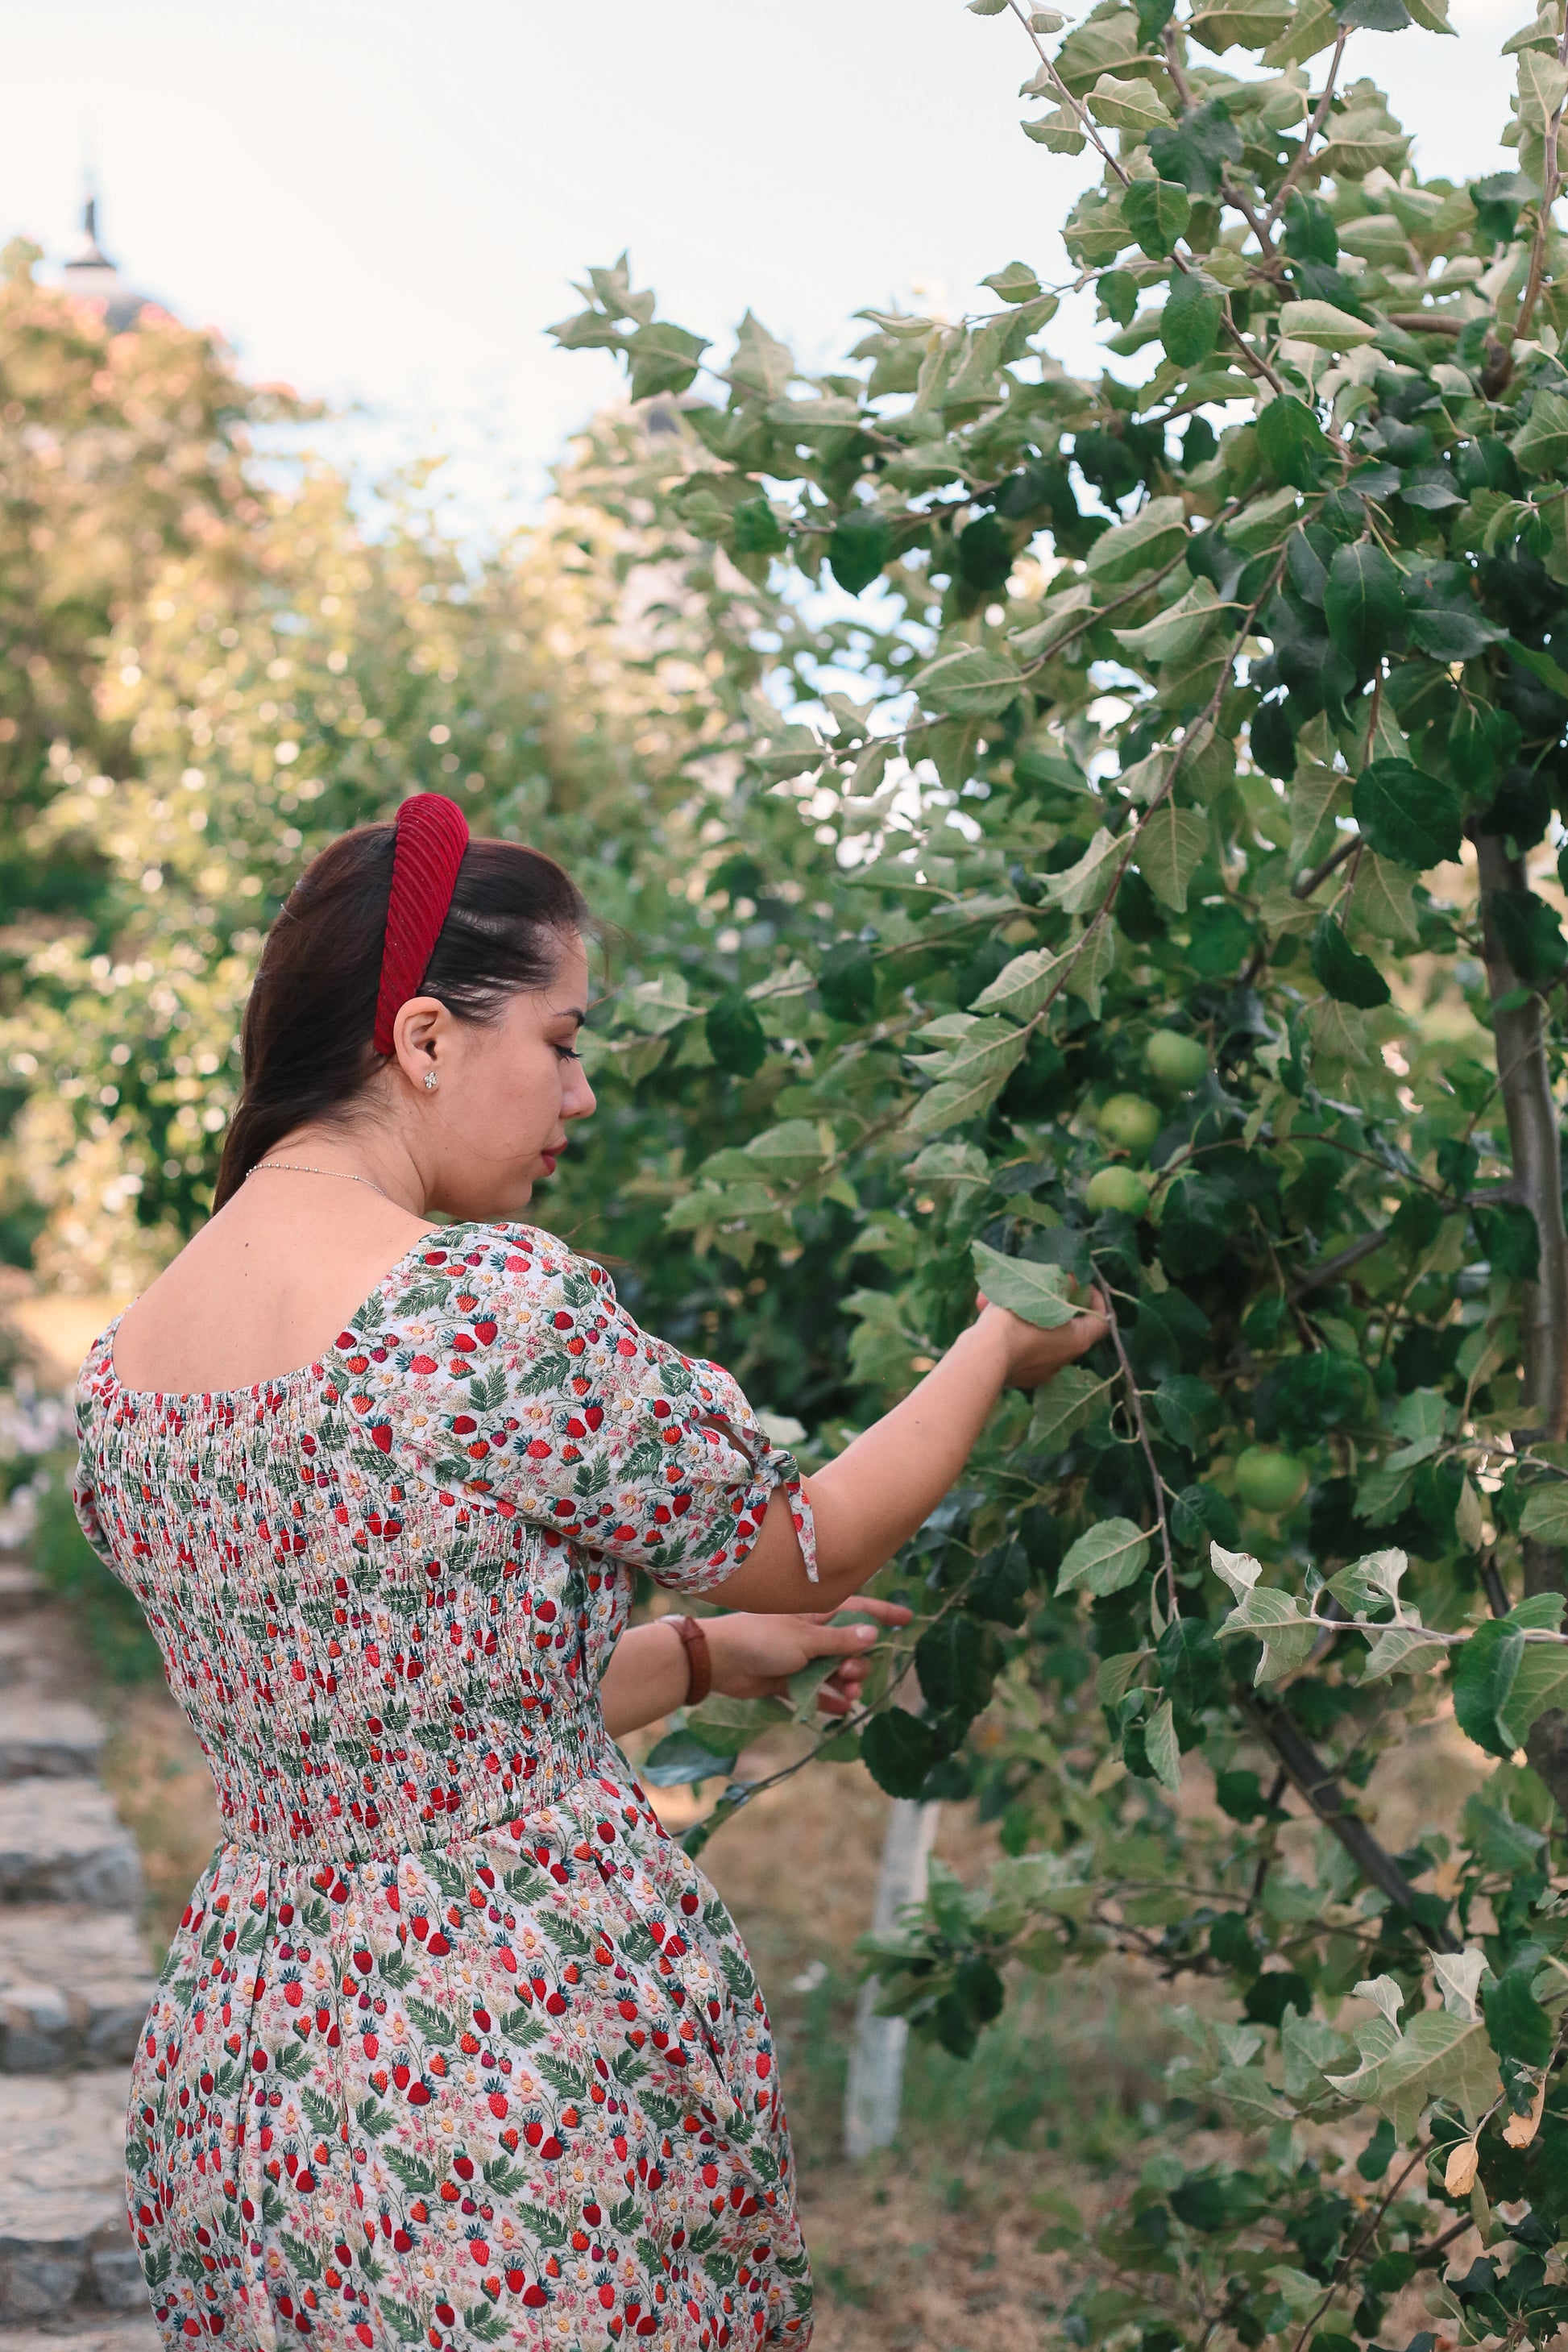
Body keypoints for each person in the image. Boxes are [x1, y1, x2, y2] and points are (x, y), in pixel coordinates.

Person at [73, 793, 1105, 2351]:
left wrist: (702, 1659)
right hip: (503, 2072)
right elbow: (807, 1547)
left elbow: (395, 1726)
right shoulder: (478, 1312)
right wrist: (994, 1348)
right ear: (424, 1040)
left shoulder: (130, 1365)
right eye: (560, 1039)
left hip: (257, 2072)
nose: (583, 1086)